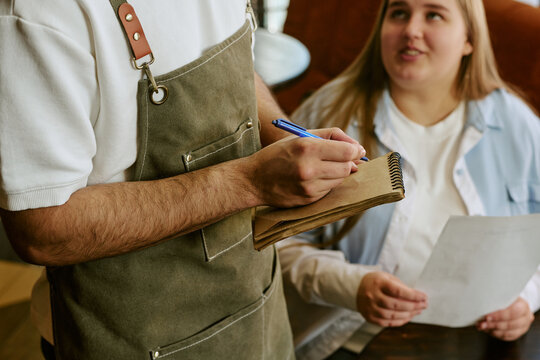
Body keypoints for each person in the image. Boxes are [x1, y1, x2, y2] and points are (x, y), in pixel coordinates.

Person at [0, 1, 366, 359]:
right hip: (133, 340)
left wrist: (284, 137)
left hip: (258, 311)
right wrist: (250, 183)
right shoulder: (38, 16)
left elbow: (235, 69)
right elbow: (42, 229)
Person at [277, 0, 540, 358]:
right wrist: (351, 286)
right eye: (399, 12)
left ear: (469, 39)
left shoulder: (517, 124)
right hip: (353, 338)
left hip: (480, 341)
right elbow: (280, 244)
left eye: (433, 14)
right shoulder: (330, 114)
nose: (411, 30)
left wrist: (525, 300)